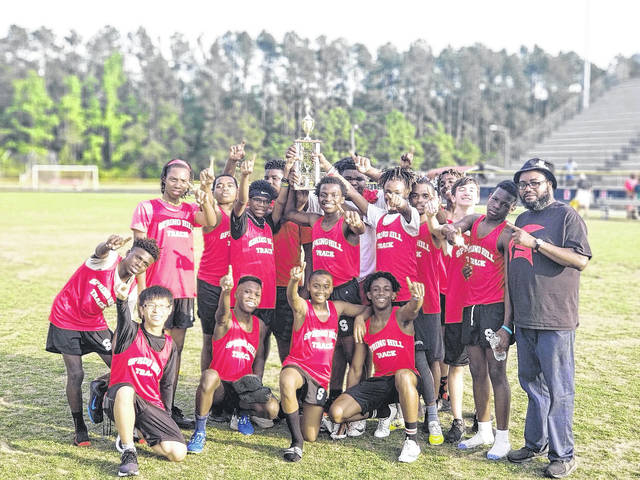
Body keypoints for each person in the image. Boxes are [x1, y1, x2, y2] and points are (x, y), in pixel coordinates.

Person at [501, 158, 591, 479]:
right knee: (532, 386)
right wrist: (509, 322)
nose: (528, 189)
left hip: (555, 318)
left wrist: (537, 243)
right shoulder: (522, 218)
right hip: (525, 319)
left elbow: (580, 260)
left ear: (549, 184)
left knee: (559, 389)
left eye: (535, 182)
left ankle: (563, 454)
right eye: (523, 184)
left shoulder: (566, 215)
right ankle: (535, 442)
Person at [45, 234, 158, 446]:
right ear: (128, 253)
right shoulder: (107, 261)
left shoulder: (131, 289)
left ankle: (102, 390)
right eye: (138, 258)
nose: (139, 264)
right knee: (76, 374)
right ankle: (79, 426)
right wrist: (106, 245)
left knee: (122, 366)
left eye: (145, 264)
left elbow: (124, 323)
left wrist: (124, 349)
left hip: (92, 322)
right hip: (65, 317)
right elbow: (100, 252)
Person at [131, 158, 217, 428]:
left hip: (183, 293)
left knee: (174, 352)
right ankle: (142, 405)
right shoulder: (148, 208)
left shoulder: (190, 210)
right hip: (155, 292)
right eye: (174, 179)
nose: (179, 184)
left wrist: (205, 192)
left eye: (184, 180)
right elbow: (138, 254)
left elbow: (211, 220)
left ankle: (165, 409)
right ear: (164, 179)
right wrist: (143, 293)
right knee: (147, 351)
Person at [442, 180, 519, 459]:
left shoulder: (505, 234)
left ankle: (503, 437)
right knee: (476, 370)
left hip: (494, 310)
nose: (495, 205)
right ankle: (484, 429)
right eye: (494, 199)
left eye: (503, 203)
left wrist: (507, 326)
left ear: (512, 208)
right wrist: (451, 231)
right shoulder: (475, 220)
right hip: (470, 308)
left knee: (497, 373)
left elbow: (510, 283)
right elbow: (452, 227)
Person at [329, 272, 426, 463]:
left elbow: (413, 310)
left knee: (402, 375)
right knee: (336, 413)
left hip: (407, 379)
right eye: (376, 289)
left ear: (393, 295)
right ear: (370, 295)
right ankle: (383, 412)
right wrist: (351, 397)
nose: (381, 293)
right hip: (381, 382)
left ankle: (411, 441)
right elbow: (356, 368)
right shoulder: (364, 324)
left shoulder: (400, 314)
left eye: (386, 289)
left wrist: (417, 299)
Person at [279, 266, 368, 462]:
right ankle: (295, 443)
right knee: (286, 380)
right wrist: (294, 281)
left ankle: (290, 409)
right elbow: (292, 298)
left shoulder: (336, 307)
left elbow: (366, 309)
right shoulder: (303, 307)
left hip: (320, 378)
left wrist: (361, 317)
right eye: (316, 286)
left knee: (310, 435)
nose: (321, 290)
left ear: (331, 288)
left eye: (325, 287)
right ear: (309, 287)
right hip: (298, 366)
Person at [186, 268, 279, 453]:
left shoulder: (259, 325)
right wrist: (225, 290)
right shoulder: (227, 319)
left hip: (242, 390)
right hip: (220, 389)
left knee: (273, 409)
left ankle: (241, 414)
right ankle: (200, 431)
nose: (252, 296)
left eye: (257, 294)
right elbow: (220, 317)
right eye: (247, 291)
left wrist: (256, 382)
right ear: (236, 293)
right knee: (209, 376)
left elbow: (259, 357)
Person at [104, 285, 187, 477]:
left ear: (169, 310)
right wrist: (121, 300)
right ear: (141, 309)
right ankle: (128, 451)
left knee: (177, 452)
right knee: (127, 389)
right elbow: (123, 316)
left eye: (162, 306)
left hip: (149, 404)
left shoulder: (169, 345)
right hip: (119, 398)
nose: (156, 310)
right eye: (150, 305)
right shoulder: (130, 331)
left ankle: (135, 430)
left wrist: (165, 416)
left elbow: (167, 384)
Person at [229, 156, 282, 381]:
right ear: (249, 201)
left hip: (267, 297)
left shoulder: (268, 225)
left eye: (265, 201)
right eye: (256, 200)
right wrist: (245, 176)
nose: (261, 204)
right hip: (243, 297)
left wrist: (288, 172)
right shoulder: (240, 221)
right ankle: (233, 394)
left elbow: (281, 201)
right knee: (240, 347)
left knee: (261, 345)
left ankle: (255, 389)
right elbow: (239, 204)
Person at [408, 177, 445, 445]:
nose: (420, 200)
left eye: (425, 195)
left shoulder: (436, 227)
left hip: (430, 301)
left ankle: (431, 413)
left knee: (433, 359)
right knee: (414, 357)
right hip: (406, 302)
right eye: (416, 196)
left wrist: (433, 215)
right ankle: (416, 409)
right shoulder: (402, 223)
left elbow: (441, 237)